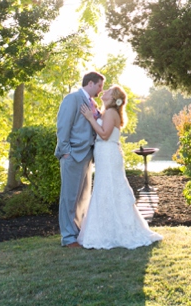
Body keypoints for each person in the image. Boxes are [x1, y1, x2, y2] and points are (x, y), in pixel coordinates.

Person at [77, 84, 163, 249]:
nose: (104, 92)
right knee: (104, 188)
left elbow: (103, 134)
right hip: (104, 154)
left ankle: (116, 231)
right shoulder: (106, 112)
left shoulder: (110, 112)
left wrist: (90, 118)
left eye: (108, 91)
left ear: (113, 97)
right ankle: (107, 230)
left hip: (108, 154)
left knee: (110, 188)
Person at [55, 71, 105, 247]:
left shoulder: (93, 104)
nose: (101, 89)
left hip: (87, 157)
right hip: (73, 155)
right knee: (69, 198)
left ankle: (77, 233)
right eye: (100, 85)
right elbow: (63, 126)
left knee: (82, 198)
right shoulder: (72, 99)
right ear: (90, 83)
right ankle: (68, 237)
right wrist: (66, 151)